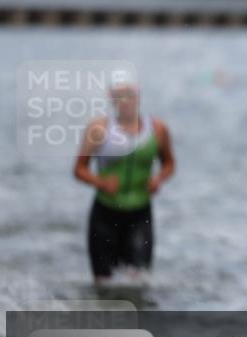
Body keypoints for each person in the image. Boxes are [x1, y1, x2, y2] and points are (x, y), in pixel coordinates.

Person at [73, 82, 175, 286]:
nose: (125, 101)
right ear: (112, 99)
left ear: (138, 97)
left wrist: (158, 179)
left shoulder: (157, 129)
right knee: (103, 282)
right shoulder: (98, 129)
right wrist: (100, 182)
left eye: (129, 95)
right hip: (105, 212)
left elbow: (169, 163)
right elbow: (79, 169)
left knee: (139, 281)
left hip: (139, 213)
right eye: (119, 96)